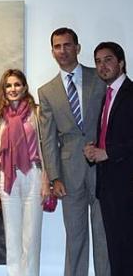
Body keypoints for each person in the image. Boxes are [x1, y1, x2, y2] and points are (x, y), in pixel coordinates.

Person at [38, 27, 110, 276]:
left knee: (104, 235)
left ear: (77, 48)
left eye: (67, 45)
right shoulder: (46, 92)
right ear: (52, 52)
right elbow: (47, 138)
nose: (63, 51)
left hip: (103, 167)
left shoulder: (99, 78)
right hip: (68, 174)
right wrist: (54, 176)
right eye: (57, 46)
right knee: (75, 238)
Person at [0, 69, 50, 276]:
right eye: (8, 85)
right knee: (12, 237)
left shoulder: (37, 112)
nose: (13, 89)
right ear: (3, 90)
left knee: (31, 238)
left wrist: (46, 180)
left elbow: (46, 148)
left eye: (16, 84)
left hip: (33, 174)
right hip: (8, 178)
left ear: (24, 87)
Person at [83, 42, 133, 275]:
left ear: (121, 63)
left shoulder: (130, 94)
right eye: (98, 61)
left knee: (127, 248)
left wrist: (108, 153)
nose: (102, 66)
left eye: (108, 60)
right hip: (109, 184)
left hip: (126, 186)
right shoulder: (108, 95)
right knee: (116, 249)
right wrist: (95, 151)